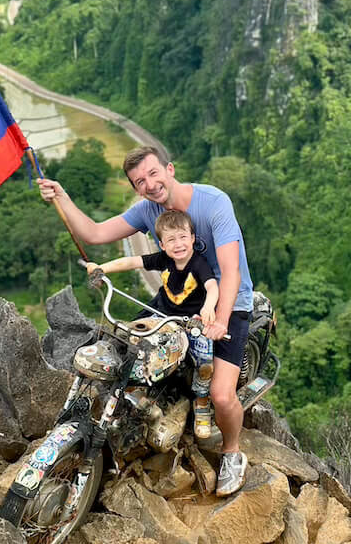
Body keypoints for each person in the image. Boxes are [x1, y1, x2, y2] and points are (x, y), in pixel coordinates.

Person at [38, 144, 254, 497]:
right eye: (140, 181)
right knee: (126, 351)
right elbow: (93, 233)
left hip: (225, 301)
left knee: (220, 393)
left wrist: (220, 320)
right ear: (136, 188)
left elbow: (230, 272)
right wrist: (61, 197)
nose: (150, 184)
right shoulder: (147, 210)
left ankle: (231, 451)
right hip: (177, 297)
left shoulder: (214, 204)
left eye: (153, 174)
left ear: (169, 169)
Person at [86, 209, 219, 440]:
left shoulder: (199, 264)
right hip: (162, 314)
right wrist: (103, 267)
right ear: (162, 244)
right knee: (134, 342)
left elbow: (212, 286)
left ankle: (202, 402)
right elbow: (132, 261)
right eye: (171, 240)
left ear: (192, 239)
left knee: (205, 362)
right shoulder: (163, 259)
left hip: (191, 321)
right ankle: (138, 389)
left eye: (182, 237)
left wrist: (208, 308)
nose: (178, 244)